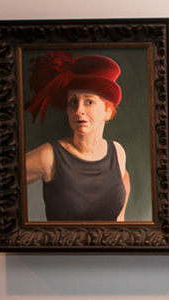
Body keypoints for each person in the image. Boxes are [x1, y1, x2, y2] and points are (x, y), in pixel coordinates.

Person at [24, 51, 130, 221]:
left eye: (89, 102)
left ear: (108, 112)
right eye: (73, 102)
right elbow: (1, 182)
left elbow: (120, 218)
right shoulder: (50, 156)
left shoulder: (117, 152)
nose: (79, 110)